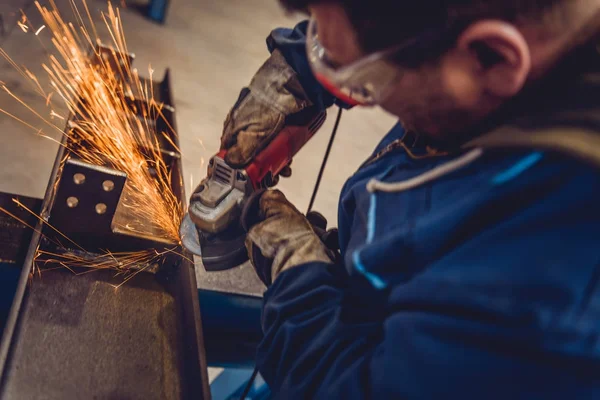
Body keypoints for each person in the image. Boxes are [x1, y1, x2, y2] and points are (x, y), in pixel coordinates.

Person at [217, 0, 600, 398]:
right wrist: (304, 63)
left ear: (493, 59)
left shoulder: (551, 284)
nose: (364, 94)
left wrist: (297, 275)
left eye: (369, 83)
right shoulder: (534, 35)